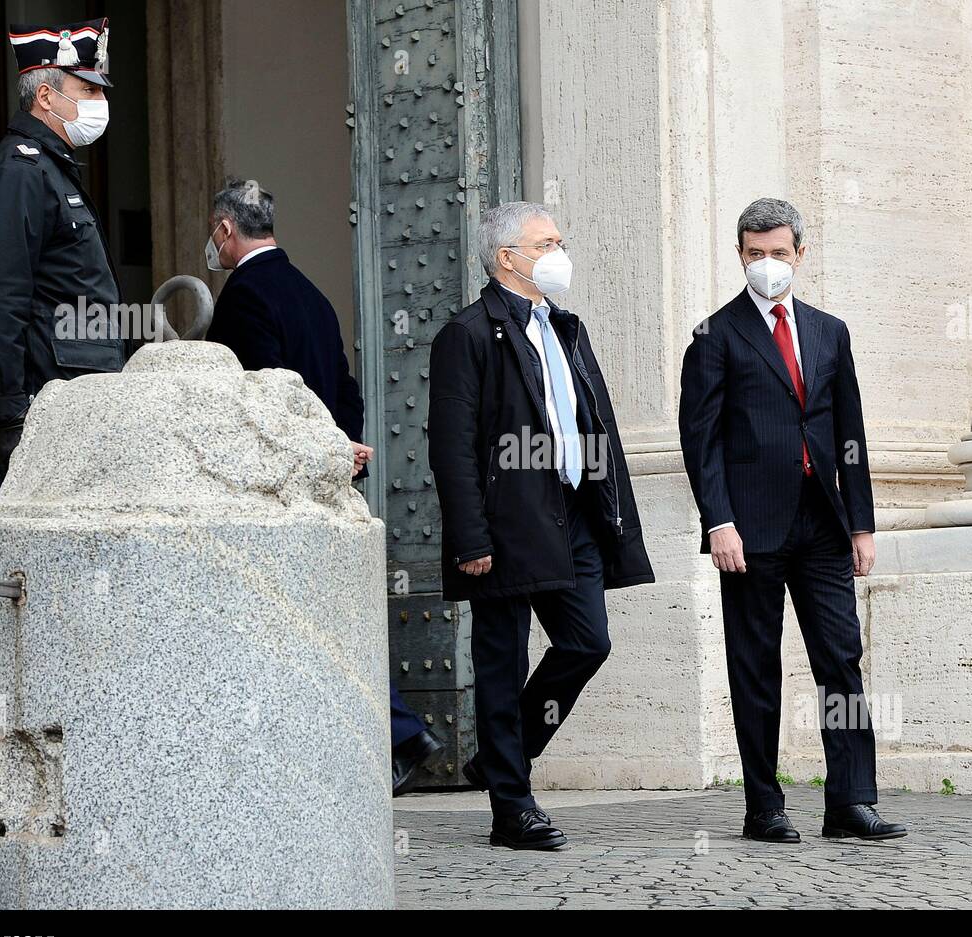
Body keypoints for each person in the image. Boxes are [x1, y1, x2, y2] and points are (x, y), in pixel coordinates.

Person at [678, 197, 906, 843]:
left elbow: (850, 430)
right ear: (739, 255)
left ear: (800, 254)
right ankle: (764, 807)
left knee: (841, 657)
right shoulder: (714, 335)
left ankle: (851, 801)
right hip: (749, 531)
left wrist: (862, 523)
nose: (768, 264)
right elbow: (702, 440)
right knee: (756, 665)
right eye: (755, 254)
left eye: (779, 253)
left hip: (824, 523)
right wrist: (718, 522)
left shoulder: (830, 330)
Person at [203, 178, 442, 793]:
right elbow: (346, 390)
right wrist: (344, 452)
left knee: (301, 624)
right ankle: (396, 736)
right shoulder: (311, 294)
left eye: (214, 233)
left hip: (278, 489)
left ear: (226, 230)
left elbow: (254, 402)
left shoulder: (242, 296)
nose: (213, 244)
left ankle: (385, 738)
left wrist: (313, 456)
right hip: (329, 480)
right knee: (327, 621)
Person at [428, 201, 654, 849]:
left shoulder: (564, 328)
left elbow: (590, 420)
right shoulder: (468, 334)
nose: (559, 252)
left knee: (587, 642)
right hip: (504, 524)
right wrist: (469, 536)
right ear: (508, 259)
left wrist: (609, 504)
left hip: (572, 513)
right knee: (502, 661)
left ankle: (502, 757)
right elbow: (451, 445)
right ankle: (512, 807)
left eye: (559, 240)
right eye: (545, 242)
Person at [0, 18, 123, 494]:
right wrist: (12, 413)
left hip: (75, 408)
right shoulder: (18, 173)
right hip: (39, 415)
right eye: (87, 92)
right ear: (47, 97)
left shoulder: (50, 170)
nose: (100, 105)